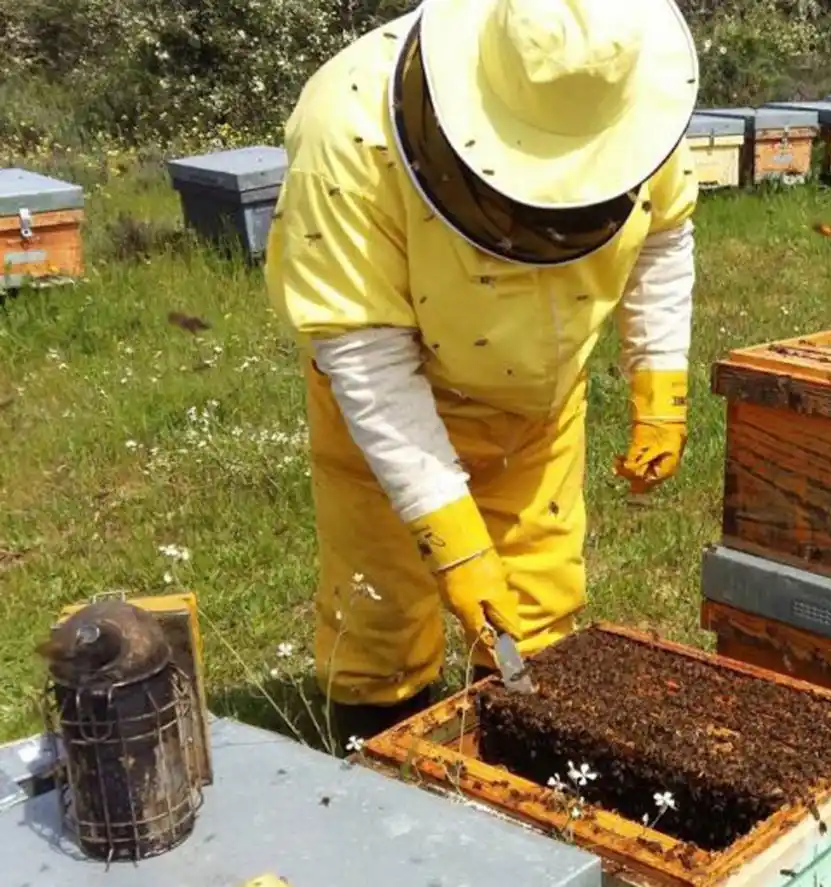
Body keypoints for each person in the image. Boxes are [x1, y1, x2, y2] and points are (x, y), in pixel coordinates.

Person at [264, 0, 700, 740]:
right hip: (393, 402)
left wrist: (661, 382)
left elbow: (663, 231)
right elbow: (364, 350)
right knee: (378, 614)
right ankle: (374, 774)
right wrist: (453, 542)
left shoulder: (634, 91)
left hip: (539, 407)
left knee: (537, 617)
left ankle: (522, 775)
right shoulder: (348, 128)